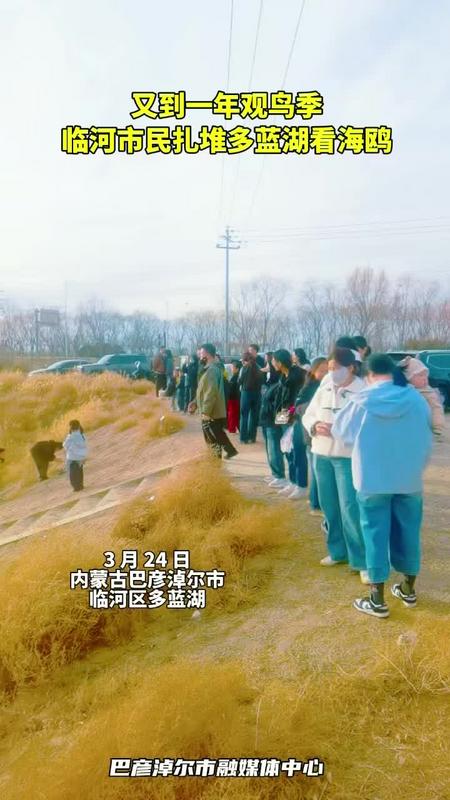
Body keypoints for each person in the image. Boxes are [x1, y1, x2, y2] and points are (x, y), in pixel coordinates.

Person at [332, 353, 433, 618]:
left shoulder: (361, 400)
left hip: (372, 479)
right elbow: (427, 434)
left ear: (369, 374)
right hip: (409, 479)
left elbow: (342, 434)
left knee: (374, 534)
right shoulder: (415, 399)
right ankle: (408, 589)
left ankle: (377, 599)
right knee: (409, 532)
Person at [302, 348, 368, 581]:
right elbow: (308, 414)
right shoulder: (326, 385)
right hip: (321, 453)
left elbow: (366, 425)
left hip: (346, 456)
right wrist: (315, 425)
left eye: (336, 368)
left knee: (350, 507)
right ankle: (337, 551)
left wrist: (340, 430)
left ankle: (361, 560)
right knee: (329, 505)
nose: (331, 372)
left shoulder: (362, 390)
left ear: (351, 367)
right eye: (329, 368)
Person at [188, 343, 238, 460]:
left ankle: (215, 463)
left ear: (208, 355)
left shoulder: (212, 371)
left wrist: (205, 411)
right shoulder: (208, 370)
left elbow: (211, 393)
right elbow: (203, 391)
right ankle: (216, 462)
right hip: (210, 411)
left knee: (212, 440)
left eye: (201, 353)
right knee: (213, 438)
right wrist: (195, 402)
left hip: (211, 412)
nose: (200, 356)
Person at [296, 357, 328, 513]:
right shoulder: (309, 387)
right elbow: (298, 407)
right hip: (310, 434)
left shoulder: (328, 386)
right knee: (316, 471)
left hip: (323, 436)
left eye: (327, 370)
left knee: (319, 471)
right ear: (313, 371)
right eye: (321, 370)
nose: (325, 374)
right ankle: (315, 502)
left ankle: (316, 500)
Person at [399, 356, 445, 437]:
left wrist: (437, 427)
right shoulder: (401, 390)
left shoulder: (428, 392)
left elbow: (436, 408)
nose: (425, 379)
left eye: (426, 375)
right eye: (420, 375)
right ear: (408, 377)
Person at [239, 351, 262, 444]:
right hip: (257, 393)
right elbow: (262, 380)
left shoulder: (244, 368)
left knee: (244, 416)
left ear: (245, 360)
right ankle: (252, 437)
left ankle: (243, 438)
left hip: (246, 393)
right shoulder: (258, 367)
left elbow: (240, 381)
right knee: (254, 416)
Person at [63, 420, 87, 492]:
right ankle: (80, 485)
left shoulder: (71, 435)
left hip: (72, 457)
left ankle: (76, 487)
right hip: (81, 456)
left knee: (73, 473)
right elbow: (85, 445)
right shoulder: (82, 434)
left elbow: (65, 445)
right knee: (79, 471)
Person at [227, 360, 241, 433]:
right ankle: (234, 427)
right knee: (234, 414)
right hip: (235, 398)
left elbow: (232, 389)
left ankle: (232, 428)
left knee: (232, 414)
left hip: (233, 398)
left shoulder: (236, 377)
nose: (231, 369)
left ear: (237, 369)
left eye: (232, 367)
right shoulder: (236, 376)